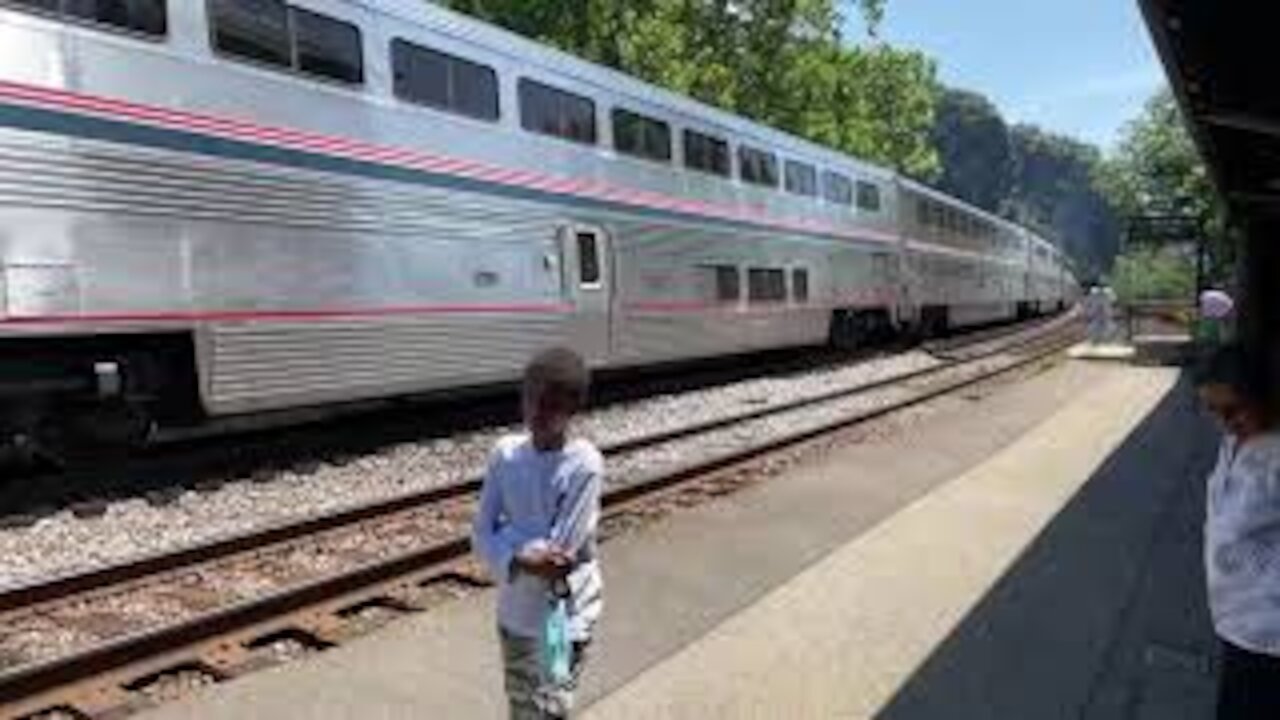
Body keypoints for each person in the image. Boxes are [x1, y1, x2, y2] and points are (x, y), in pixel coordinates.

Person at [472, 347, 604, 719]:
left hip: (564, 618)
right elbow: (480, 533)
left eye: (550, 405)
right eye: (530, 399)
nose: (536, 413)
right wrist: (519, 555)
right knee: (521, 705)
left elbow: (558, 556)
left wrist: (507, 541)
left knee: (549, 709)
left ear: (573, 408)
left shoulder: (583, 464)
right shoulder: (506, 454)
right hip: (515, 614)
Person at [1195, 344, 1280, 718]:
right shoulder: (1233, 441)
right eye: (1212, 410)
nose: (1224, 422)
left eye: (1232, 410)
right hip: (1235, 621)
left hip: (1270, 635)